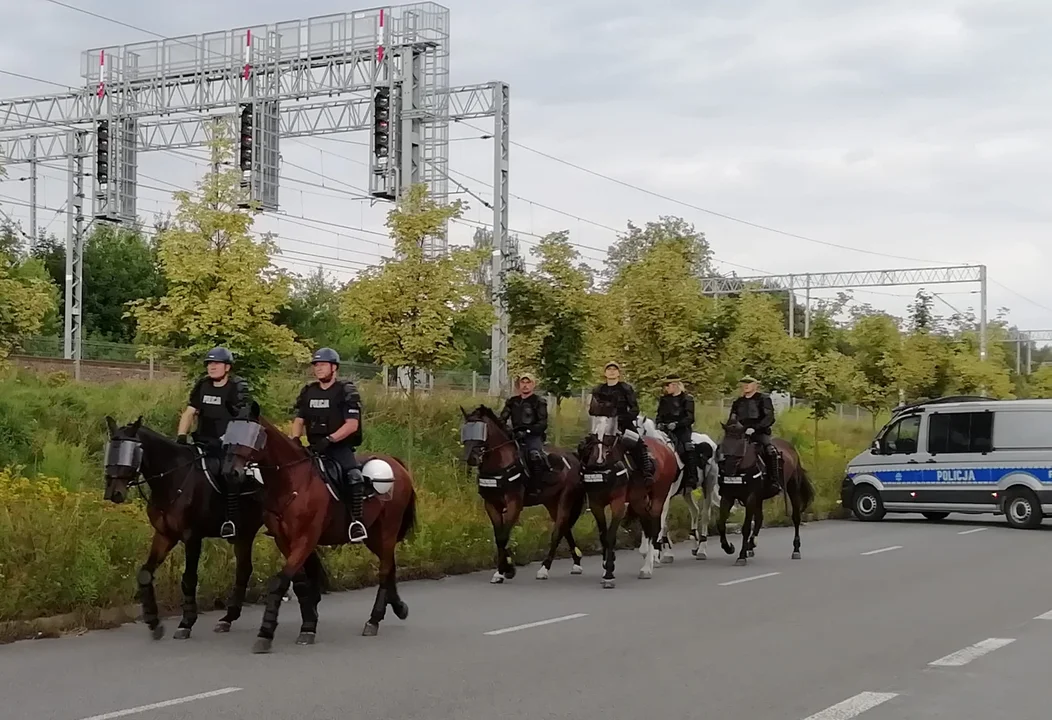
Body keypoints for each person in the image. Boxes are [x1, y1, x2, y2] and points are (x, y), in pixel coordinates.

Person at [291, 348, 367, 543]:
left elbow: (352, 425)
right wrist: (295, 439)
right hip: (313, 447)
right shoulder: (308, 391)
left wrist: (330, 439)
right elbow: (299, 419)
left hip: (338, 447)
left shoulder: (345, 391)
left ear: (334, 368)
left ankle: (356, 523)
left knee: (354, 477)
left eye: (322, 365)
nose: (318, 369)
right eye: (316, 365)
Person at [176, 346, 253, 539]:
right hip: (202, 442)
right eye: (209, 363)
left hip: (228, 446)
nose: (212, 367)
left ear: (227, 367)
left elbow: (243, 420)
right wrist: (181, 437)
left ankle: (231, 520)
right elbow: (189, 412)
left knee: (229, 474)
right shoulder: (202, 385)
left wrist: (223, 440)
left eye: (216, 363)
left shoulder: (237, 387)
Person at [589, 361, 653, 483]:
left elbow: (635, 408)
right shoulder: (598, 389)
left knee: (638, 443)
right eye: (609, 369)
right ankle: (584, 472)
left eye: (614, 369)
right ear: (605, 373)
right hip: (601, 425)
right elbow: (592, 409)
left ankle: (646, 472)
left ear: (618, 373)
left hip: (623, 423)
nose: (612, 371)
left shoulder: (625, 388)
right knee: (586, 444)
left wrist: (623, 418)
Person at [727, 375, 781, 493]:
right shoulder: (738, 402)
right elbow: (732, 418)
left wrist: (755, 428)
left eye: (749, 383)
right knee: (725, 449)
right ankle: (726, 478)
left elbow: (769, 418)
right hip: (740, 434)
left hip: (759, 432)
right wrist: (731, 429)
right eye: (744, 383)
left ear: (756, 385)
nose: (746, 385)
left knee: (770, 451)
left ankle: (774, 481)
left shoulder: (763, 399)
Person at [499, 372, 551, 481]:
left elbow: (543, 423)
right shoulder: (512, 401)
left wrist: (528, 431)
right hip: (515, 435)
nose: (525, 385)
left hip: (533, 436)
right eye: (523, 382)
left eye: (528, 382)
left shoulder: (539, 401)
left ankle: (538, 483)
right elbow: (502, 419)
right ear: (519, 385)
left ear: (533, 385)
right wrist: (507, 430)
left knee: (534, 456)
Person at [655, 375, 698, 490]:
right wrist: (659, 423)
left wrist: (677, 424)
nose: (665, 388)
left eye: (667, 385)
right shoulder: (664, 399)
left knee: (687, 448)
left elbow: (690, 418)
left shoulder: (687, 399)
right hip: (664, 430)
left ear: (674, 385)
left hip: (682, 430)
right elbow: (659, 415)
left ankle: (692, 478)